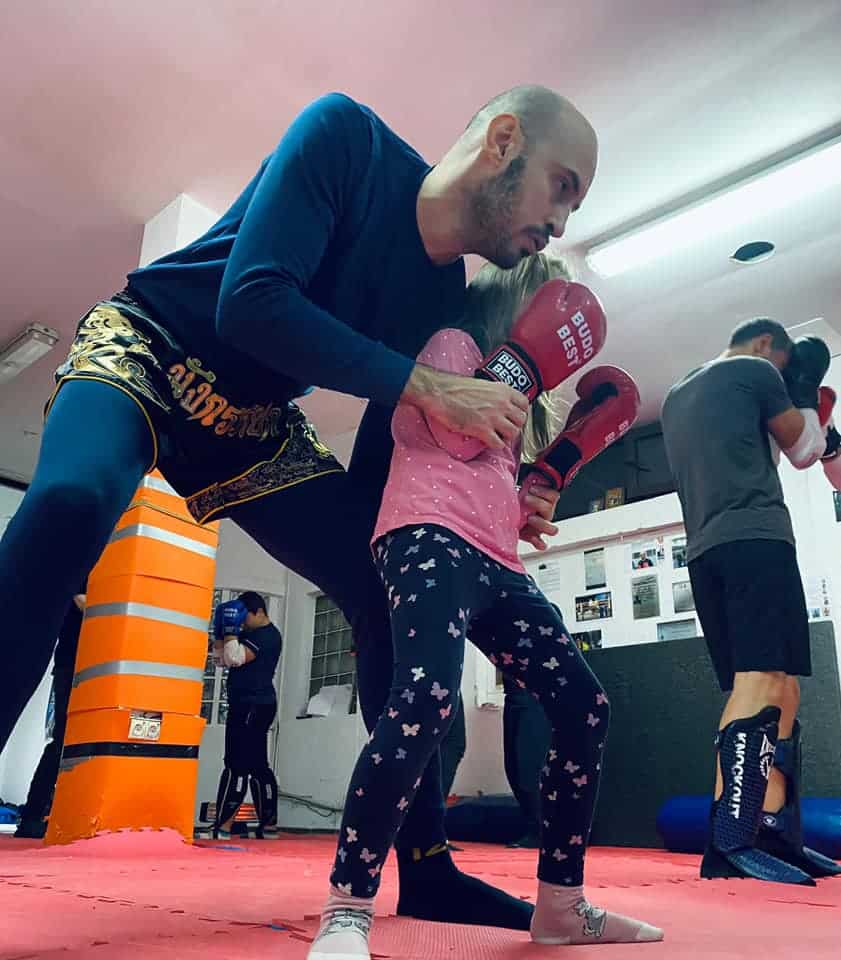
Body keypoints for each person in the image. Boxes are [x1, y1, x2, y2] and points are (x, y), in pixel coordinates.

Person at [0, 84, 597, 929]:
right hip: (149, 350)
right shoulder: (345, 138)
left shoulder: (440, 301)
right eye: (562, 187)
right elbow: (251, 301)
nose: (560, 223)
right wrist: (428, 385)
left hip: (252, 426)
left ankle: (427, 868)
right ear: (503, 141)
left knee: (382, 581)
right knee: (69, 501)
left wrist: (490, 505)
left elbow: (391, 481)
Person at [307, 252, 660, 960]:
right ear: (518, 305)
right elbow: (449, 435)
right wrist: (522, 365)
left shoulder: (513, 401)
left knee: (583, 706)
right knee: (428, 697)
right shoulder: (452, 348)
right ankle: (346, 910)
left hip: (495, 560)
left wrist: (536, 489)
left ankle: (561, 905)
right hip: (425, 536)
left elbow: (487, 473)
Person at [661, 318, 840, 885]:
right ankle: (731, 839)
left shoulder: (677, 396)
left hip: (705, 552)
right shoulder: (755, 370)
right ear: (767, 345)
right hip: (757, 540)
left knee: (781, 688)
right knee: (762, 681)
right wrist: (805, 395)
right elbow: (805, 450)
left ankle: (775, 832)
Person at [14, 588, 86, 839]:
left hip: (94, 663)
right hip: (71, 664)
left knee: (80, 742)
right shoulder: (78, 576)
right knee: (63, 740)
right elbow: (84, 604)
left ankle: (61, 812)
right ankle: (32, 816)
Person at [211, 591, 282, 839]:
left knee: (236, 763)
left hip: (252, 704)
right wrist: (220, 634)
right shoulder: (250, 633)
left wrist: (230, 631)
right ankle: (268, 825)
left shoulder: (267, 635)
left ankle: (224, 826)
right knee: (256, 763)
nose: (242, 622)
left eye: (244, 617)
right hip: (252, 704)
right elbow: (221, 660)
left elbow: (235, 657)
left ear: (258, 612)